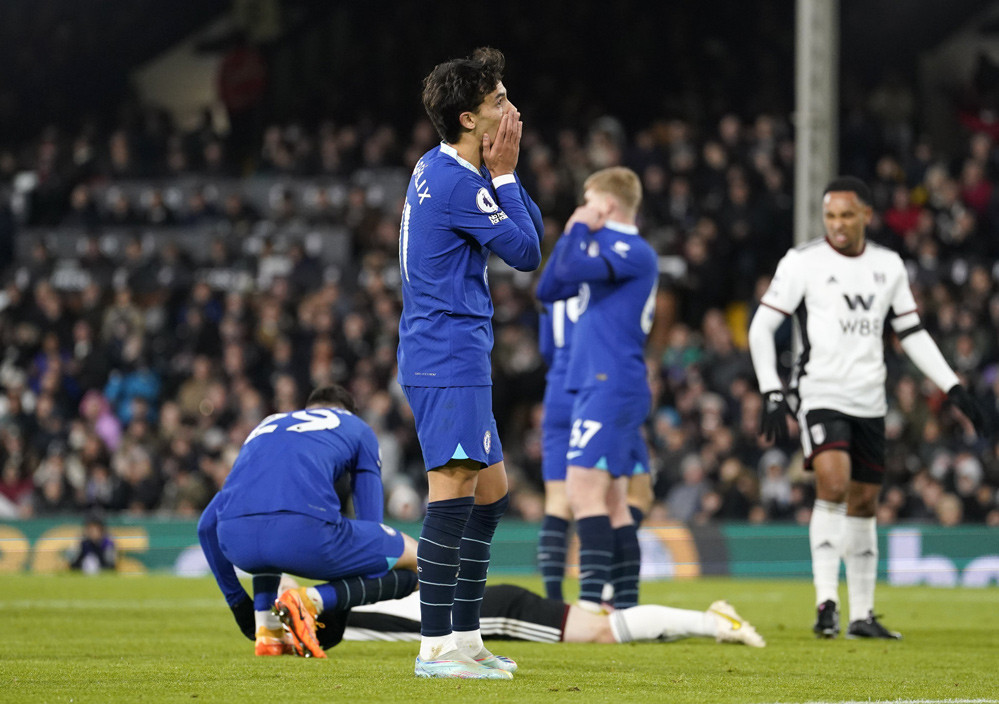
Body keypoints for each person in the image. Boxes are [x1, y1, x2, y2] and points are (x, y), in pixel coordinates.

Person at [747, 176, 987, 640]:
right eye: (830, 215)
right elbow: (761, 328)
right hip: (820, 392)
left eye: (845, 215)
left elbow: (912, 333)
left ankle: (862, 615)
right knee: (832, 484)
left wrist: (953, 387)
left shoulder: (888, 265)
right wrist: (772, 391)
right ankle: (825, 603)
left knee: (864, 502)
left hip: (870, 397)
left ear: (866, 216)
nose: (836, 224)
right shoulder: (803, 262)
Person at [397, 47, 542, 679]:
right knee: (453, 490)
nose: (510, 110)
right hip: (446, 353)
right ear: (467, 119)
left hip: (450, 352)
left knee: (491, 492)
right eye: (497, 102)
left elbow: (527, 229)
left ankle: (465, 635)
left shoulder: (438, 164)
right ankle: (435, 649)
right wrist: (506, 176)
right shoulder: (459, 182)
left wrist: (505, 176)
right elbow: (527, 251)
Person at [197, 384, 419, 659]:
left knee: (265, 529)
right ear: (347, 412)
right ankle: (310, 601)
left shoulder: (268, 424)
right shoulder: (358, 427)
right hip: (304, 537)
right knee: (419, 559)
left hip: (237, 543)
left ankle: (268, 630)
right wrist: (339, 606)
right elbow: (370, 521)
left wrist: (239, 604)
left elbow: (206, 525)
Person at [535, 167, 658, 614]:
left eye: (588, 200)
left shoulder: (632, 250)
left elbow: (564, 269)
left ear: (605, 205)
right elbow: (548, 287)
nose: (581, 209)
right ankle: (625, 606)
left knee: (583, 490)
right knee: (614, 500)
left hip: (612, 382)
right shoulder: (598, 248)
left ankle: (587, 608)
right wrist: (579, 235)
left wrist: (577, 228)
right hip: (594, 383)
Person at [535, 297, 652, 605]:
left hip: (558, 387)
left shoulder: (554, 288)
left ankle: (554, 604)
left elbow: (546, 347)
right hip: (598, 387)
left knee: (559, 501)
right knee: (628, 497)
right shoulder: (605, 281)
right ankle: (610, 589)